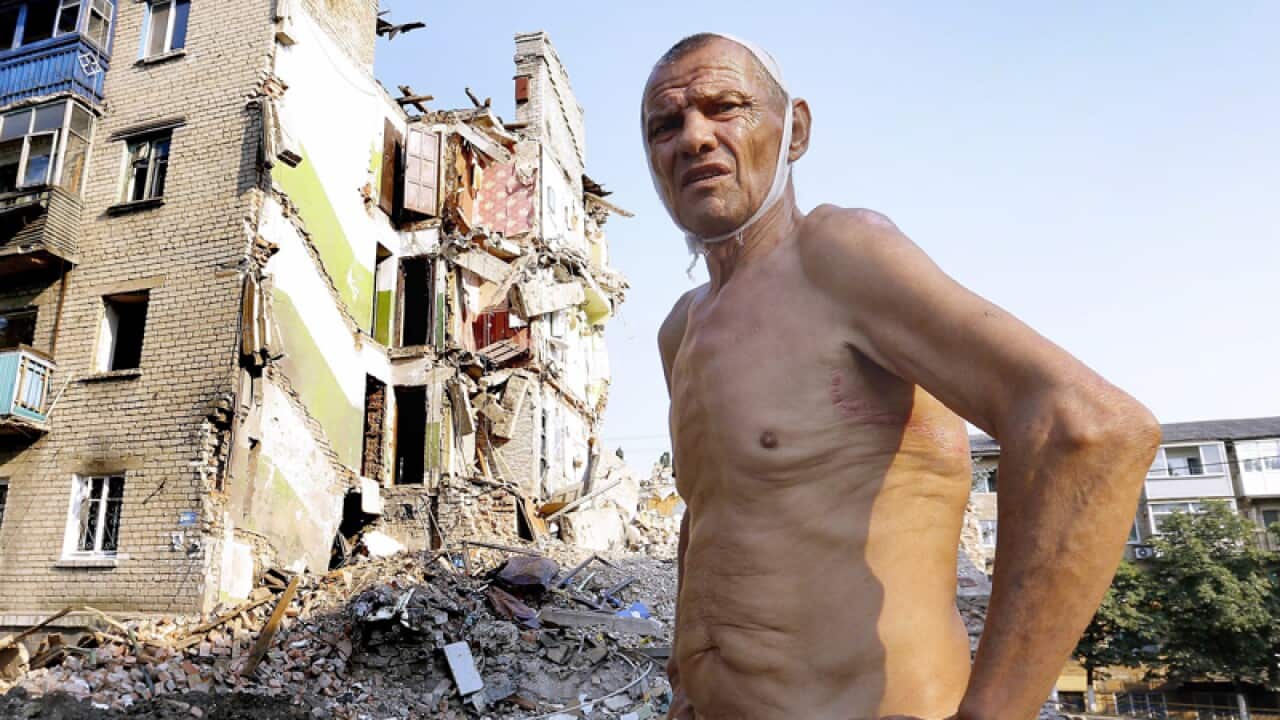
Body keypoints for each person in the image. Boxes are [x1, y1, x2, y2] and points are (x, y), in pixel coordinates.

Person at [645, 33, 1160, 720]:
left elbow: (1090, 429)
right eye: (665, 124)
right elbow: (710, 511)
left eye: (724, 106)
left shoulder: (836, 256)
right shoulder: (681, 328)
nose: (695, 138)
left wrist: (992, 712)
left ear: (794, 129)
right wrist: (686, 677)